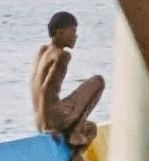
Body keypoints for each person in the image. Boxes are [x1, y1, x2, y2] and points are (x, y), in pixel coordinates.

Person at [29, 12, 105, 153]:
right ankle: (75, 137)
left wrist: (42, 123)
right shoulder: (62, 56)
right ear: (60, 32)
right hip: (52, 119)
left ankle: (74, 130)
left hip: (38, 119)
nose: (76, 36)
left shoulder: (42, 51)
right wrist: (49, 126)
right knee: (99, 81)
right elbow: (48, 89)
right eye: (73, 31)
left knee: (91, 128)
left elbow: (36, 87)